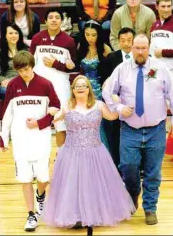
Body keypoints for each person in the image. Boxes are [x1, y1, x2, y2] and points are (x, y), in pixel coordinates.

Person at [102, 34, 173, 225]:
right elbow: (107, 92)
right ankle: (133, 192)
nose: (139, 51)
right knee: (128, 167)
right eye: (136, 48)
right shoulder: (122, 69)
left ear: (149, 47)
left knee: (153, 172)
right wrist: (119, 108)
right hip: (130, 129)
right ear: (131, 49)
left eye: (143, 48)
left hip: (156, 129)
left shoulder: (160, 67)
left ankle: (150, 208)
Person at [42, 75, 136, 231]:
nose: (80, 88)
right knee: (72, 185)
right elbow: (55, 120)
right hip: (72, 153)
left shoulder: (98, 105)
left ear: (88, 89)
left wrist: (119, 104)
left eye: (83, 85)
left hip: (95, 152)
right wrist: (51, 113)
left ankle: (97, 214)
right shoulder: (67, 106)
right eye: (76, 86)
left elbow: (112, 116)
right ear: (72, 90)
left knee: (94, 184)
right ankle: (75, 216)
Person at [0, 51, 60, 232]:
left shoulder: (45, 84)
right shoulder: (12, 85)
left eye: (26, 69)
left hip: (41, 138)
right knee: (25, 178)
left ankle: (40, 196)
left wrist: (39, 123)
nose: (23, 73)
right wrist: (3, 137)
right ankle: (31, 214)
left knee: (42, 177)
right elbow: (6, 113)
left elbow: (56, 108)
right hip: (20, 140)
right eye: (20, 71)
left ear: (32, 66)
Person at [30, 7, 77, 150]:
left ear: (61, 21)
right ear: (45, 21)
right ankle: (37, 155)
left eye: (57, 17)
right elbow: (30, 62)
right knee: (37, 121)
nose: (54, 20)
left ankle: (60, 156)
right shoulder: (37, 38)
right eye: (51, 17)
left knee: (60, 124)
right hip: (39, 87)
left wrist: (56, 64)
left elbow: (73, 67)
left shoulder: (69, 41)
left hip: (60, 87)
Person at [103, 27, 135, 168]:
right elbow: (105, 81)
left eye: (130, 40)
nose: (127, 44)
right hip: (116, 104)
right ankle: (116, 164)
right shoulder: (112, 57)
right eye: (123, 41)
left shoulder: (142, 57)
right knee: (115, 134)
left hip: (135, 104)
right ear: (118, 41)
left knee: (136, 135)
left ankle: (137, 165)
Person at [77, 19, 111, 150]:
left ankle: (103, 155)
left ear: (99, 35)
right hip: (82, 90)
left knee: (98, 123)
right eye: (87, 34)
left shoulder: (105, 49)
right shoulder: (81, 47)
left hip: (98, 90)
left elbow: (110, 70)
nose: (90, 38)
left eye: (93, 35)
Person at [150, 0, 173, 88]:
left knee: (171, 102)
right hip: (156, 70)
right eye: (163, 6)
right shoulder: (154, 25)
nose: (166, 10)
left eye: (169, 6)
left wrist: (163, 52)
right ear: (156, 6)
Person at [0, 23, 27, 99]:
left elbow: (30, 70)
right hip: (6, 84)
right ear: (5, 36)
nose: (14, 35)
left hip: (23, 81)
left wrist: (15, 80)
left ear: (19, 35)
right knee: (6, 91)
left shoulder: (26, 52)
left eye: (16, 33)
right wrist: (3, 80)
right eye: (10, 33)